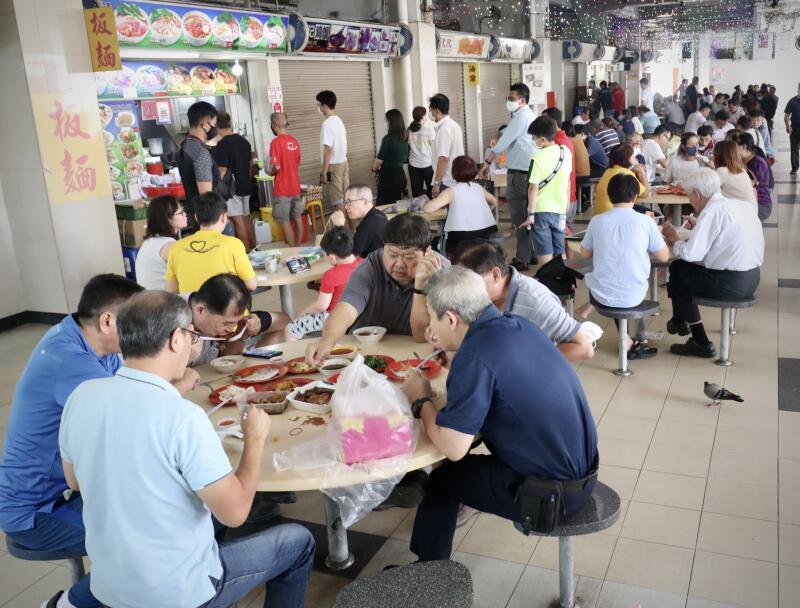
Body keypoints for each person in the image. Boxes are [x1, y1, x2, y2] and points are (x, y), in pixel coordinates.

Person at [58, 291, 315, 608]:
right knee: (298, 541)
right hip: (177, 594)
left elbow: (74, 481)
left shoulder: (83, 395)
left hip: (108, 585)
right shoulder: (182, 416)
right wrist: (255, 439)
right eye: (191, 335)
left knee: (207, 510)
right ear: (175, 340)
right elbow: (236, 513)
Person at [401, 266, 598, 562]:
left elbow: (453, 448)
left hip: (549, 496)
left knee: (444, 479)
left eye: (432, 316)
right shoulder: (519, 324)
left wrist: (420, 401)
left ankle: (428, 576)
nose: (430, 325)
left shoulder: (475, 356)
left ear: (452, 318)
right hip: (584, 472)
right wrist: (457, 359)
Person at [0, 275, 153, 608]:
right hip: (36, 511)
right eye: (135, 322)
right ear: (108, 321)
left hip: (70, 488)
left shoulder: (93, 344)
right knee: (142, 537)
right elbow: (133, 424)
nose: (140, 332)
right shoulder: (70, 361)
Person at [305, 214, 448, 365]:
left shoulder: (442, 272)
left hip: (415, 359)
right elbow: (346, 309)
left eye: (409, 257)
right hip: (364, 355)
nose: (399, 263)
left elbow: (421, 336)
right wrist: (328, 338)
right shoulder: (371, 267)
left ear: (428, 252)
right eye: (392, 254)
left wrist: (421, 285)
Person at [661, 169, 763, 358]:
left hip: (730, 283)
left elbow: (690, 254)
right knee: (683, 273)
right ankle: (679, 321)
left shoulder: (712, 212)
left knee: (678, 270)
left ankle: (699, 341)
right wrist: (699, 227)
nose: (690, 201)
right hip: (752, 278)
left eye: (690, 196)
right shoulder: (738, 205)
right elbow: (723, 241)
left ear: (698, 194)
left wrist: (674, 237)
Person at [452, 239, 593, 361]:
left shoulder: (536, 302)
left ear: (495, 275)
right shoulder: (482, 294)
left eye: (468, 282)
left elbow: (583, 348)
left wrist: (526, 362)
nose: (463, 290)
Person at [580, 174, 670, 359]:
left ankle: (627, 341)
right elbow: (664, 256)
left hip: (600, 295)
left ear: (609, 195)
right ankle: (628, 342)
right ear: (635, 196)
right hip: (634, 295)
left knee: (608, 279)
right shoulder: (646, 222)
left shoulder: (597, 221)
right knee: (624, 280)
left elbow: (585, 254)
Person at [479, 83, 535, 269]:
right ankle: (531, 254)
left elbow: (503, 142)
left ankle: (522, 259)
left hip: (520, 174)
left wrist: (487, 163)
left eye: (511, 99)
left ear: (522, 100)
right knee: (526, 215)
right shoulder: (523, 116)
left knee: (519, 216)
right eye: (507, 98)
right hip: (523, 171)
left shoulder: (522, 116)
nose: (508, 101)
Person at [165, 192, 256, 294]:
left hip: (193, 308)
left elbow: (171, 290)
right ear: (224, 217)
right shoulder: (234, 244)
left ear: (196, 217)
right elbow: (251, 285)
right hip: (228, 308)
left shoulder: (176, 248)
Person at [188, 274, 289, 366]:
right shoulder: (176, 324)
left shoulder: (212, 322)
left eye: (235, 323)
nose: (231, 329)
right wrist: (185, 358)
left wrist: (241, 335)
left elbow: (227, 359)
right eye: (226, 323)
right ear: (200, 310)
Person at [285, 227, 362, 341]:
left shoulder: (331, 275)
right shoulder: (363, 264)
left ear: (331, 257)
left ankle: (295, 357)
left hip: (333, 318)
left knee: (290, 329)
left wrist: (303, 312)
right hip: (358, 314)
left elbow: (321, 306)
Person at [519, 116, 573, 266]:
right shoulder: (565, 153)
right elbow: (567, 180)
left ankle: (548, 285)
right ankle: (563, 284)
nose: (533, 140)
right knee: (560, 250)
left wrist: (530, 214)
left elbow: (533, 188)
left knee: (545, 252)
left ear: (542, 140)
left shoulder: (537, 158)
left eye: (534, 138)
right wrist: (566, 204)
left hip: (541, 211)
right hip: (560, 209)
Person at [424, 156, 497, 254]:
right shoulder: (479, 188)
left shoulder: (451, 191)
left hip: (459, 242)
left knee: (435, 242)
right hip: (483, 238)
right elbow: (494, 202)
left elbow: (428, 209)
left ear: (454, 174)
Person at [213, 111, 255, 250]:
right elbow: (249, 164)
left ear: (217, 126)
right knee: (246, 217)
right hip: (246, 184)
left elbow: (222, 170)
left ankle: (246, 254)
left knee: (237, 221)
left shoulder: (222, 144)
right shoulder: (244, 141)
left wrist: (215, 186)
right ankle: (254, 249)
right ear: (229, 124)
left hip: (232, 188)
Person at [177, 101, 220, 228]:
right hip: (206, 222)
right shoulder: (200, 153)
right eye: (214, 124)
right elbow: (206, 198)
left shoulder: (185, 146)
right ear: (205, 124)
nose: (215, 128)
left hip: (193, 215)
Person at [136, 195, 188, 291]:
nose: (185, 214)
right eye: (180, 213)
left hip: (148, 300)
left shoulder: (150, 241)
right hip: (163, 302)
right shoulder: (169, 246)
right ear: (168, 219)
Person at [268, 112, 304, 247]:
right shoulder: (295, 141)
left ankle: (293, 251)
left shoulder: (276, 143)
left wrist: (271, 172)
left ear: (274, 125)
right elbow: (297, 162)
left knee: (285, 221)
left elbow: (276, 167)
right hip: (295, 187)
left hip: (282, 189)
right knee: (298, 218)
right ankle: (298, 248)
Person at [543, 107, 578, 231]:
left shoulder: (557, 143)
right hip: (568, 196)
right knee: (567, 235)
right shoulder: (565, 139)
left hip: (562, 198)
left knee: (563, 235)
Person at [330, 185, 388, 257]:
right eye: (345, 202)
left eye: (349, 202)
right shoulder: (378, 215)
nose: (346, 207)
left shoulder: (369, 223)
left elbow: (348, 255)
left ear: (365, 202)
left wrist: (340, 227)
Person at [593, 144, 648, 215]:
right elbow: (645, 194)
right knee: (652, 214)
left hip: (600, 214)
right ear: (626, 158)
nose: (634, 158)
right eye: (632, 155)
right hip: (614, 213)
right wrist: (642, 173)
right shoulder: (626, 173)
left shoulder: (608, 171)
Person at [316, 90, 349, 206]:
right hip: (344, 163)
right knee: (346, 199)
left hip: (334, 166)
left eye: (319, 105)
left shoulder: (327, 124)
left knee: (338, 201)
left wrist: (324, 172)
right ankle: (351, 225)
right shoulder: (339, 120)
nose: (318, 107)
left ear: (324, 106)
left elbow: (328, 150)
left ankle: (341, 224)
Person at [429, 93, 465, 197]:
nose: (431, 114)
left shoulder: (444, 129)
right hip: (456, 178)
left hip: (446, 181)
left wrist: (437, 183)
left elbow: (443, 159)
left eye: (431, 110)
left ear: (437, 111)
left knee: (446, 212)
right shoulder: (455, 125)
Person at [731, 132, 772, 221]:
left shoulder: (757, 162)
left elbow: (749, 184)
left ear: (743, 147)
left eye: (734, 147)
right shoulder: (745, 160)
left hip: (760, 204)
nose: (732, 150)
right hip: (751, 202)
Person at [374, 108, 410, 204]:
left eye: (386, 120)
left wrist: (374, 170)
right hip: (400, 175)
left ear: (391, 122)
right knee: (397, 205)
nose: (385, 122)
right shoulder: (405, 136)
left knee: (382, 205)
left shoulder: (388, 139)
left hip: (388, 177)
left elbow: (378, 161)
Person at [713, 140, 756, 205]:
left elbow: (707, 191)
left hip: (739, 213)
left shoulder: (721, 171)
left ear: (719, 156)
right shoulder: (742, 170)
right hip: (751, 212)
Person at [407, 106, 436, 198]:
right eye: (426, 115)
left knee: (416, 193)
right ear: (423, 117)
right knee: (431, 191)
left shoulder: (409, 130)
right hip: (427, 164)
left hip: (413, 165)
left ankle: (418, 210)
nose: (427, 117)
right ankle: (432, 209)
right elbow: (434, 148)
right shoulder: (428, 131)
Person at [785, 82, 800, 176]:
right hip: (795, 127)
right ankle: (794, 168)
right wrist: (787, 126)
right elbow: (786, 115)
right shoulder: (793, 100)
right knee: (794, 148)